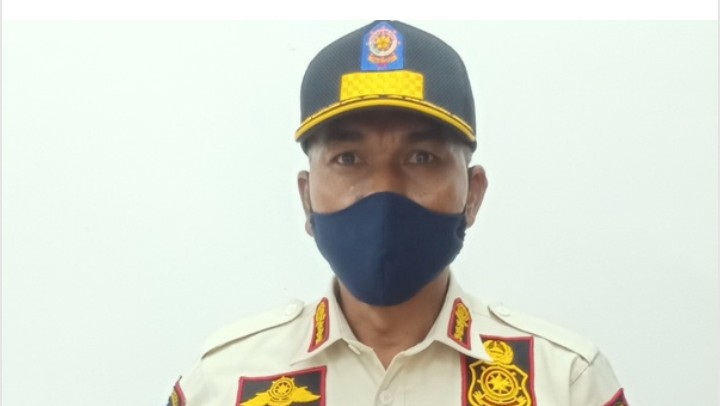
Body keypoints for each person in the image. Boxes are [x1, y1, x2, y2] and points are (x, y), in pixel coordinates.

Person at [166, 20, 629, 406]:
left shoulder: (565, 382)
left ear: (473, 194)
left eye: (421, 158)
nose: (384, 191)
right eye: (349, 159)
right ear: (306, 197)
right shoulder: (225, 382)